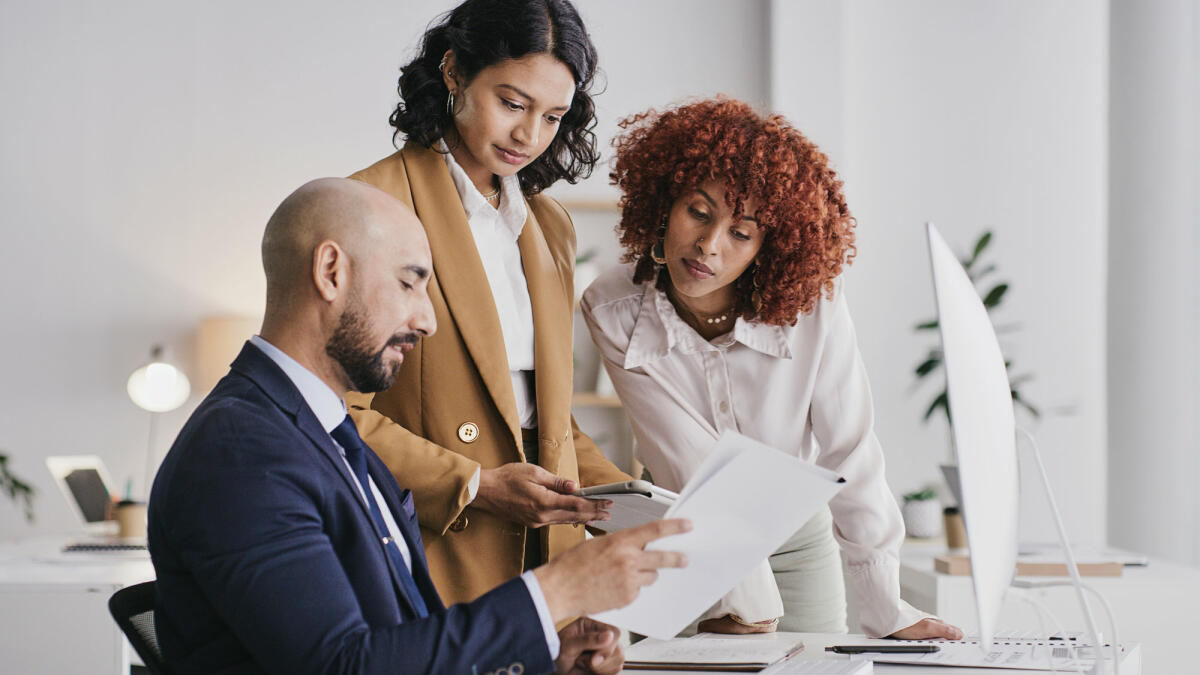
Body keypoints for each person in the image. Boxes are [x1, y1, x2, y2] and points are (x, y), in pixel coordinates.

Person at [148, 178, 690, 674]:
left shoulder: (325, 431)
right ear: (330, 272)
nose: (427, 320)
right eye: (411, 284)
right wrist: (553, 595)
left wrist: (547, 656)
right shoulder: (243, 452)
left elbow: (400, 646)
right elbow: (343, 667)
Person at [580, 99, 963, 640]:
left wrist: (886, 607)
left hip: (798, 540)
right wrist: (744, 604)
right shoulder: (612, 306)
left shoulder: (814, 305)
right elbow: (683, 456)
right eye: (699, 211)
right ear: (666, 201)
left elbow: (849, 449)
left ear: (769, 247)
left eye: (741, 233)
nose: (708, 246)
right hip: (683, 535)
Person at [345, 0, 631, 606]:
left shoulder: (549, 226)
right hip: (432, 547)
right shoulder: (371, 206)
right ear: (453, 72)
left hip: (547, 555)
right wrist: (473, 484)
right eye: (512, 103)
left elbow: (547, 423)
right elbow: (332, 413)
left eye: (553, 116)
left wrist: (638, 504)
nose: (529, 135)